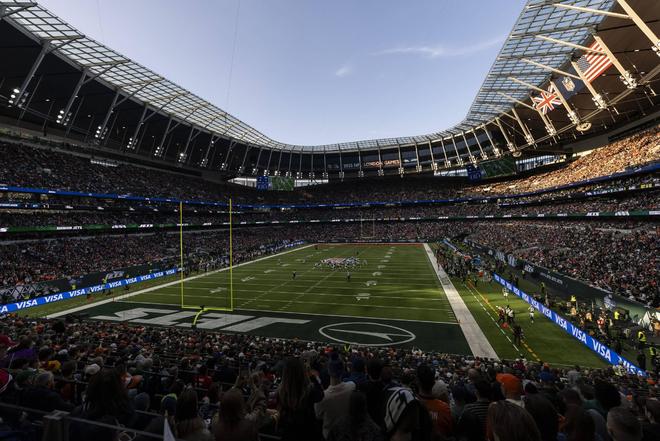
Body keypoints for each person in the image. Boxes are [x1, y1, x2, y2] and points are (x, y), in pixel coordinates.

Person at [276, 357, 324, 441]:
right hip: (308, 432)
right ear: (302, 372)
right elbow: (321, 394)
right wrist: (312, 376)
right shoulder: (310, 391)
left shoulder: (281, 392)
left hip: (289, 433)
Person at [315, 354, 355, 439]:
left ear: (328, 371)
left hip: (329, 435)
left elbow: (318, 416)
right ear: (342, 370)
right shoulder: (352, 386)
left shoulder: (322, 398)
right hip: (348, 433)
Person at [415, 364, 452, 439]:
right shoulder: (445, 408)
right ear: (434, 383)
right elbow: (449, 433)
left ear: (417, 382)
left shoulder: (410, 405)